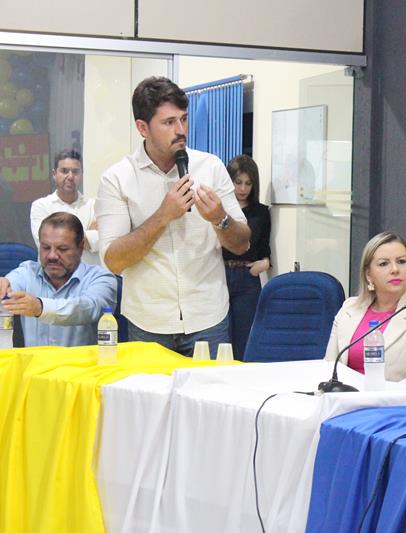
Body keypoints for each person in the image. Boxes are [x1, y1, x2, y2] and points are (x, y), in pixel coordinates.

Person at [96, 76, 250, 357]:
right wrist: (162, 216)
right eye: (168, 122)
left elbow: (242, 244)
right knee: (151, 402)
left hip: (209, 317)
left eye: (184, 119)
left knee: (209, 400)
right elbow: (113, 260)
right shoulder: (117, 179)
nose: (181, 130)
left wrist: (220, 219)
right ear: (143, 128)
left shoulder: (211, 167)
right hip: (148, 322)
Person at [325, 231, 406, 385]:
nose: (395, 269)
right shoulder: (349, 308)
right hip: (344, 402)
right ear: (368, 275)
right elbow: (327, 368)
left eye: (401, 261)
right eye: (383, 263)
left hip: (392, 405)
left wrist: (373, 395)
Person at [0, 212, 116, 347]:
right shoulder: (28, 272)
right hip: (34, 366)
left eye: (62, 249)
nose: (52, 256)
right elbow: (10, 283)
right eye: (45, 247)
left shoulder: (101, 278)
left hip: (80, 366)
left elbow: (87, 308)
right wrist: (4, 286)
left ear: (81, 246)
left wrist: (40, 307)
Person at [223, 154, 271, 360]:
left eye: (248, 183)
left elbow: (264, 247)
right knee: (218, 338)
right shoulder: (219, 210)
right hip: (218, 274)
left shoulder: (261, 212)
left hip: (247, 277)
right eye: (238, 182)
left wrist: (265, 263)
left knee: (245, 340)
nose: (242, 189)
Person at [30, 149, 101, 265]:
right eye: (64, 171)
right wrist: (89, 236)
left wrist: (60, 238)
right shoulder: (41, 206)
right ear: (54, 174)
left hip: (89, 279)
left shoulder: (94, 206)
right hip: (53, 278)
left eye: (75, 171)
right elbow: (45, 243)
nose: (70, 176)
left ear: (82, 174)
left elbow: (103, 241)